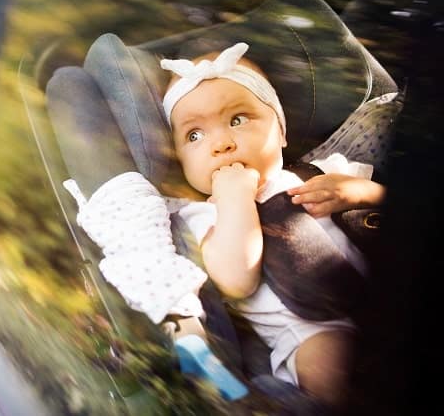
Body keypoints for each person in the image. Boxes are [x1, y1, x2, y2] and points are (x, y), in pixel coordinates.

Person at [159, 42, 385, 408]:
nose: (221, 144)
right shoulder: (202, 215)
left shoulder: (325, 170)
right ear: (182, 161)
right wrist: (235, 198)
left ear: (280, 132)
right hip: (312, 331)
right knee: (332, 362)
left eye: (237, 120)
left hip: (384, 298)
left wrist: (362, 191)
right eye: (194, 135)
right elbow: (237, 279)